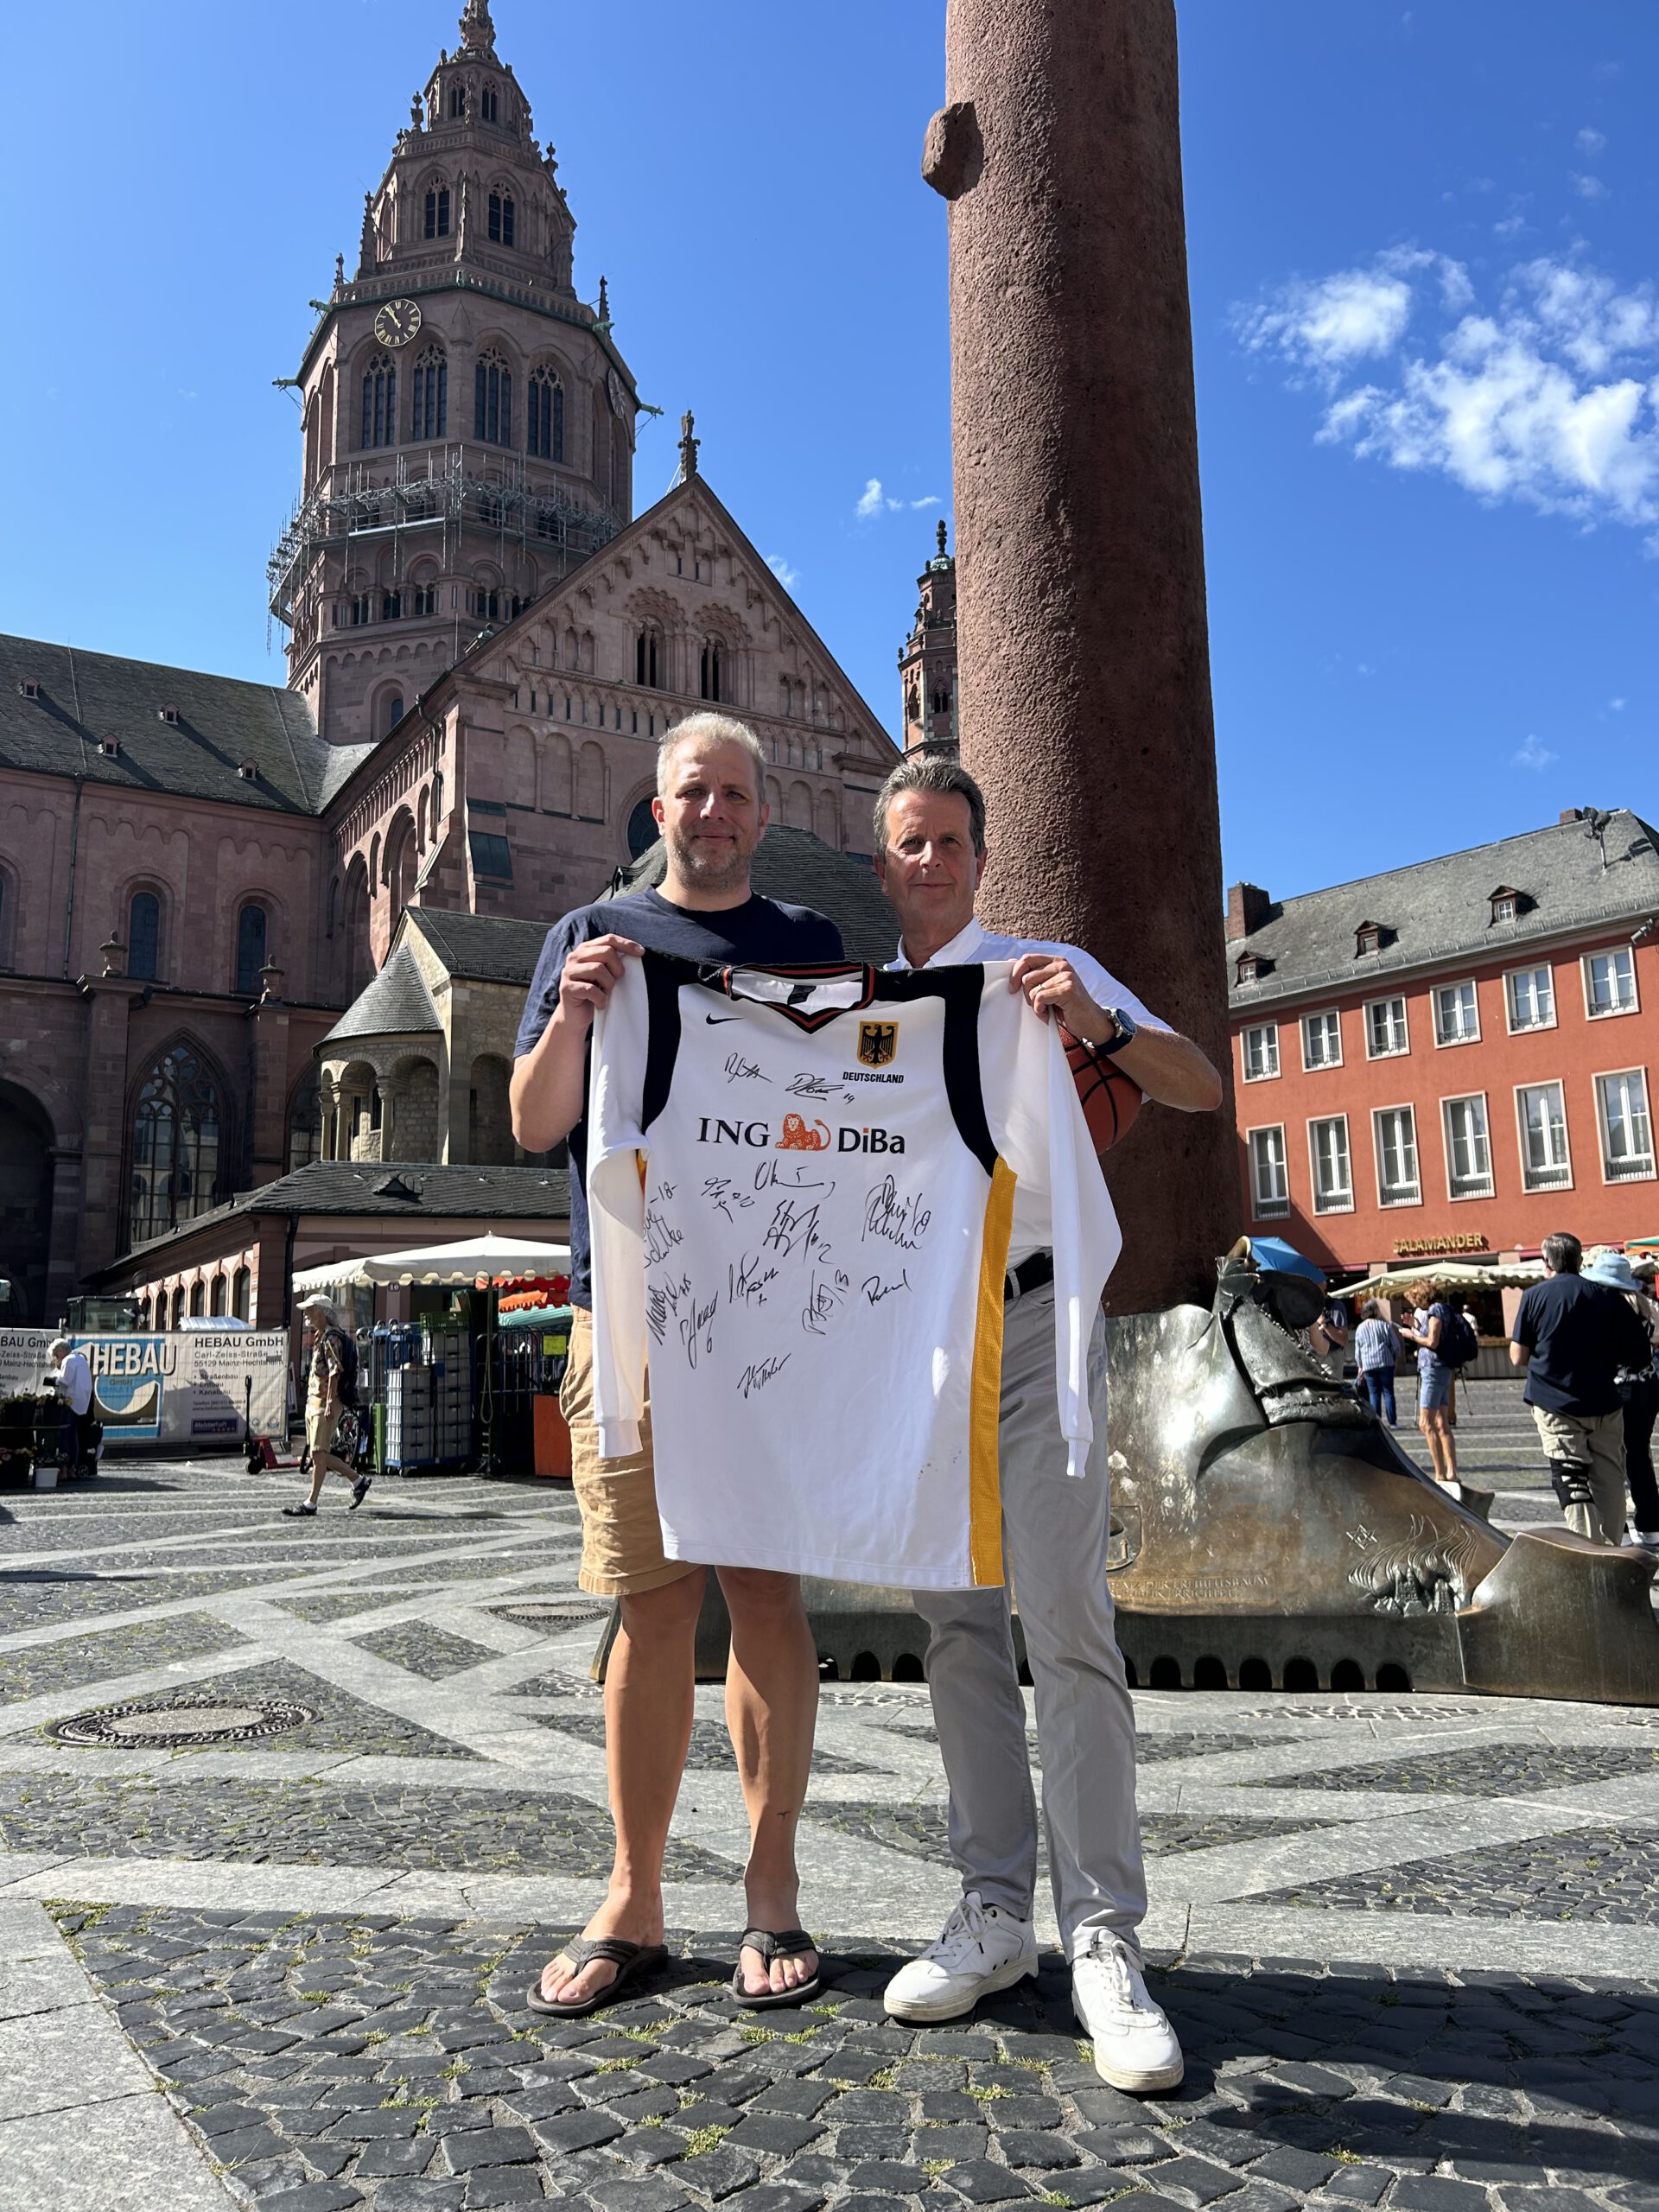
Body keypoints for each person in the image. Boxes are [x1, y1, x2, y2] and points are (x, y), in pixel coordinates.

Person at [869, 755, 1222, 2094]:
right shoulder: (863, 1010)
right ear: (884, 858)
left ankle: (1104, 1939)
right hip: (915, 1344)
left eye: (952, 839)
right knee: (955, 1625)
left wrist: (1099, 1025)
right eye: (911, 841)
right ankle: (993, 1913)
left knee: (1068, 1624)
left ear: (980, 852)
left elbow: (1195, 1086)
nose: (932, 860)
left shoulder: (1043, 970)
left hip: (1030, 1322)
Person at [510, 712, 840, 2015]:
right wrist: (573, 1020)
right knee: (650, 1608)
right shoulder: (588, 939)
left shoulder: (810, 948)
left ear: (765, 814)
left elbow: (852, 1116)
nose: (714, 814)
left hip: (767, 1312)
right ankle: (632, 1897)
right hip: (630, 1305)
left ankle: (772, 1893)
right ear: (658, 812)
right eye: (692, 794)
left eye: (736, 796)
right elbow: (540, 1121)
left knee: (765, 1594)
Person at [1511, 1231, 1650, 1547]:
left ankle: (1588, 1551)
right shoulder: (1606, 1296)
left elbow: (1518, 1356)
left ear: (1547, 1261)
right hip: (1604, 1402)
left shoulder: (1535, 1296)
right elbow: (1640, 1355)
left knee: (1570, 1476)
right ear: (1579, 1259)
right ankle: (1613, 1547)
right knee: (1611, 1477)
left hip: (1554, 1402)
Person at [1581, 1248, 1659, 1548]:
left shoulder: (1605, 1307)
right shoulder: (1645, 1305)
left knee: (1610, 1459)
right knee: (1640, 1456)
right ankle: (1652, 1523)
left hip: (1618, 1388)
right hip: (1648, 1388)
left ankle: (1618, 1530)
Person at [283, 1294, 371, 1517]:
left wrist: (330, 1402)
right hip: (315, 1402)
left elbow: (335, 1370)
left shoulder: (331, 1338)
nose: (307, 1315)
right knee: (317, 1454)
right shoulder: (322, 1336)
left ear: (321, 1313)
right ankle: (358, 1481)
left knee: (319, 1453)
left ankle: (311, 1502)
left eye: (310, 1311)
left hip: (324, 1403)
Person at [1399, 1279, 1457, 1485]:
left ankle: (1440, 1474)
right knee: (1442, 1423)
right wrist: (1415, 1326)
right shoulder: (1443, 1309)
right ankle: (1451, 1473)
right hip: (1441, 1369)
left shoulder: (1435, 1311)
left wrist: (1410, 1336)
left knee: (1426, 1423)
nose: (1414, 1305)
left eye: (1414, 1300)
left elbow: (1432, 1341)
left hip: (1433, 1370)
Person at [46, 1337, 93, 1477]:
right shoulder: (81, 1359)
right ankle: (72, 1467)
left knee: (64, 1434)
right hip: (82, 1402)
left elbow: (65, 1381)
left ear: (61, 1351)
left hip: (70, 1401)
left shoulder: (69, 1360)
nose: (55, 1357)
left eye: (56, 1354)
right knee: (73, 1435)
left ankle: (64, 1468)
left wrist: (52, 1380)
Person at [1354, 1299, 1401, 1427]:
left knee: (1374, 1394)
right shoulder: (1384, 1325)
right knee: (1388, 1392)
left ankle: (1377, 1422)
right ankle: (1393, 1423)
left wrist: (1360, 1366)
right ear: (1376, 1311)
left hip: (1368, 1365)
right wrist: (1395, 1358)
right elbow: (1395, 1345)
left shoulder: (1360, 1328)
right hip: (1385, 1362)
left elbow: (1358, 1350)